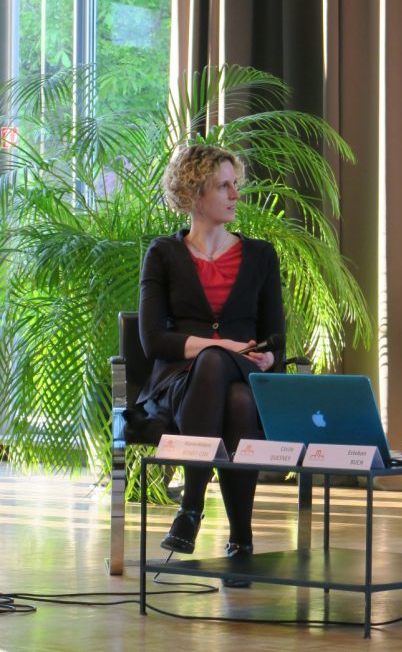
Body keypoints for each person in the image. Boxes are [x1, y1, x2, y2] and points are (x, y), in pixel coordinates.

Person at [136, 145, 285, 586]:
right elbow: (153, 340)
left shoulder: (261, 255)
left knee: (234, 383)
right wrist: (219, 346)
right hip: (180, 383)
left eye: (235, 185)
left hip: (247, 373)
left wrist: (269, 355)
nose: (236, 194)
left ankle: (192, 508)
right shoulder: (163, 254)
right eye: (224, 186)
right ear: (194, 193)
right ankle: (241, 540)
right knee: (230, 389)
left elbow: (276, 337)